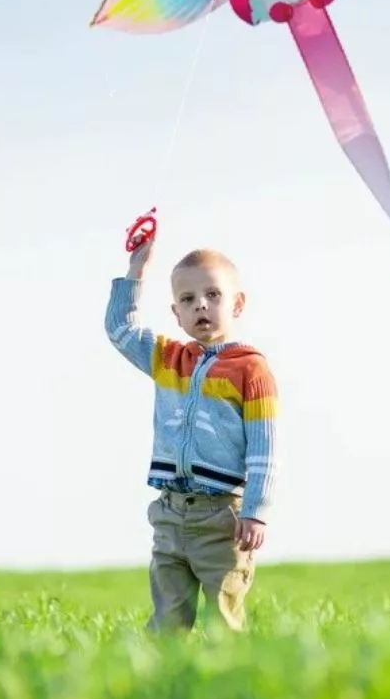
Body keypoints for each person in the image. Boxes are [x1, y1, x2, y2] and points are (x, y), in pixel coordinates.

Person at [104, 232, 279, 633]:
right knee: (167, 619)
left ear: (237, 304)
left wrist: (255, 511)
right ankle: (161, 684)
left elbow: (264, 450)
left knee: (224, 620)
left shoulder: (251, 370)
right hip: (170, 513)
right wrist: (137, 267)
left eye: (213, 294)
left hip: (223, 518)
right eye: (187, 299)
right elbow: (120, 328)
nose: (200, 304)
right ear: (176, 313)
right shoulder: (168, 359)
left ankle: (231, 689)